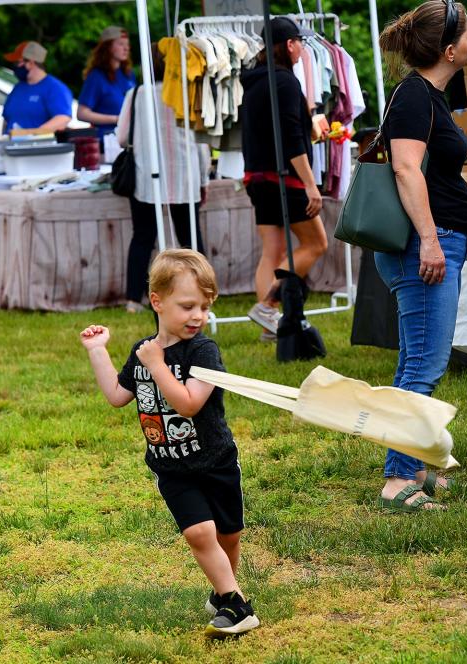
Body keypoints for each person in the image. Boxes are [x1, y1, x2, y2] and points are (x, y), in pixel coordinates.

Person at [79, 249, 259, 638]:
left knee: (228, 535)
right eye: (188, 305)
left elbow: (190, 403)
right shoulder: (144, 351)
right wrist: (98, 352)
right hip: (172, 466)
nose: (198, 316)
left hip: (216, 461)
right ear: (158, 302)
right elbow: (116, 394)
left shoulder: (203, 351)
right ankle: (236, 604)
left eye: (205, 307)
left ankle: (223, 591)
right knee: (199, 533)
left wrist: (158, 365)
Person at [372, 0, 467, 512]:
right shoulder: (415, 96)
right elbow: (406, 170)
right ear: (449, 49)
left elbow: (428, 171)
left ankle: (410, 466)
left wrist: (462, 187)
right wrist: (432, 240)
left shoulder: (428, 95)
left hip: (434, 241)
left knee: (415, 359)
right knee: (426, 365)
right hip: (424, 248)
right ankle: (396, 480)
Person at [240, 17, 329, 342]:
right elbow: (291, 139)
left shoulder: (254, 83)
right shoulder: (286, 83)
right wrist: (309, 183)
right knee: (316, 243)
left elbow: (269, 133)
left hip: (257, 177)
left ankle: (269, 327)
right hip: (286, 179)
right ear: (289, 45)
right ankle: (268, 305)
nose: (303, 48)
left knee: (272, 252)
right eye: (300, 43)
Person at [116, 42, 211, 314]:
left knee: (143, 238)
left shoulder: (137, 94)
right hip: (185, 174)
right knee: (190, 239)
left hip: (147, 175)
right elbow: (201, 140)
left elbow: (122, 137)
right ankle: (203, 290)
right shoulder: (187, 93)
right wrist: (204, 177)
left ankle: (134, 299)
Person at [1, 41, 73, 134]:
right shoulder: (18, 87)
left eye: (18, 62)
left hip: (38, 147)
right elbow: (7, 120)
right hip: (12, 146)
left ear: (31, 63)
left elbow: (62, 119)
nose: (15, 66)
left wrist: (31, 135)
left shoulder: (54, 88)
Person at [77, 26, 136, 138]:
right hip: (106, 141)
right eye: (120, 44)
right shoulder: (96, 76)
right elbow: (82, 113)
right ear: (108, 47)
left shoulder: (128, 74)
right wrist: (116, 119)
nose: (126, 48)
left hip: (129, 138)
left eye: (127, 44)